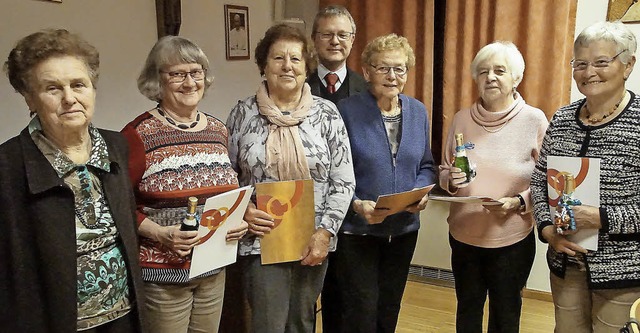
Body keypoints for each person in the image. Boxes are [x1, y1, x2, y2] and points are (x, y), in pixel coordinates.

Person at [0, 29, 146, 332]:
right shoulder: (8, 165)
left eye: (78, 84)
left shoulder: (116, 145)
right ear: (29, 98)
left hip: (125, 316)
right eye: (52, 88)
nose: (69, 98)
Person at [226, 23, 355, 333]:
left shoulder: (327, 114)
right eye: (278, 58)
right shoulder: (243, 113)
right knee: (267, 323)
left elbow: (344, 179)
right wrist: (242, 209)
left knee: (302, 321)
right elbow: (227, 174)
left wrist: (326, 232)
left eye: (295, 59)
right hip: (260, 238)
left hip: (313, 238)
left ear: (306, 65)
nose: (287, 66)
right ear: (264, 65)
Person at [121, 35, 248, 333]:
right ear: (157, 80)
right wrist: (159, 233)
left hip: (213, 269)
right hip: (163, 274)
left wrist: (239, 220)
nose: (189, 82)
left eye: (196, 72)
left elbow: (228, 192)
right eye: (177, 74)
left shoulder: (218, 130)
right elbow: (118, 202)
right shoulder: (139, 134)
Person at [531, 21, 640, 333]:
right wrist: (547, 228)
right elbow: (540, 181)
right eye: (580, 64)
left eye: (601, 62)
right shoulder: (563, 118)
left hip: (624, 271)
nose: (589, 72)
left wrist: (603, 218)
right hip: (567, 264)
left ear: (628, 64)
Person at [439, 41, 548, 333]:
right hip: (464, 236)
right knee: (468, 311)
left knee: (505, 314)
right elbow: (445, 169)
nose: (490, 77)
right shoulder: (462, 118)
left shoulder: (533, 120)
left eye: (500, 71)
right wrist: (449, 180)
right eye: (483, 71)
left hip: (511, 238)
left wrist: (521, 201)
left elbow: (550, 177)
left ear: (516, 78)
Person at [335, 33, 436, 333]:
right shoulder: (347, 111)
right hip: (359, 231)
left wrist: (422, 190)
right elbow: (335, 171)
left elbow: (427, 165)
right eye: (383, 68)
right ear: (367, 72)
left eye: (400, 68)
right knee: (362, 311)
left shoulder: (418, 111)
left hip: (403, 230)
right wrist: (356, 204)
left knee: (390, 305)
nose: (393, 76)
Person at [308, 5, 368, 107]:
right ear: (314, 39)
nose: (335, 41)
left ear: (352, 40)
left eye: (342, 35)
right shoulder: (300, 84)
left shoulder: (366, 89)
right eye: (327, 34)